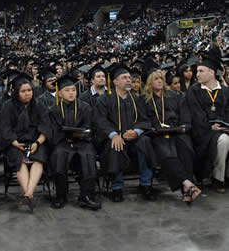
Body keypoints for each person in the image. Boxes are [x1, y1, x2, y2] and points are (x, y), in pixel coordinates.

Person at [95, 63, 156, 202]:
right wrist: (114, 134)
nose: (129, 80)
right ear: (115, 82)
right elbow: (100, 120)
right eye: (124, 78)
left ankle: (146, 184)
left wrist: (137, 131)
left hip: (134, 139)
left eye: (129, 77)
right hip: (114, 138)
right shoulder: (104, 99)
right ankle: (117, 187)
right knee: (115, 145)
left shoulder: (137, 99)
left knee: (145, 141)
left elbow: (144, 119)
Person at [142, 68, 200, 204]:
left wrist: (184, 126)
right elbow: (142, 119)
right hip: (157, 135)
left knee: (185, 147)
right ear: (150, 82)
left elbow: (184, 114)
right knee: (166, 152)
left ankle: (186, 190)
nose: (159, 81)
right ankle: (188, 184)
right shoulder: (144, 100)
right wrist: (152, 129)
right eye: (156, 79)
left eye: (161, 79)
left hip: (176, 131)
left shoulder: (174, 96)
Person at [49, 75, 100, 210]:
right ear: (59, 93)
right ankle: (61, 195)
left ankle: (87, 196)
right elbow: (54, 130)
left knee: (88, 156)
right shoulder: (54, 110)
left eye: (73, 90)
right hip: (63, 143)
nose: (71, 93)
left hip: (83, 142)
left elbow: (90, 127)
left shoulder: (85, 107)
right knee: (59, 156)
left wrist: (81, 135)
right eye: (67, 90)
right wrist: (66, 136)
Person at [0, 73, 49, 212]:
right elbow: (5, 128)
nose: (27, 94)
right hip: (15, 143)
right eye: (23, 91)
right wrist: (14, 142)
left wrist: (38, 143)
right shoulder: (8, 106)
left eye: (29, 90)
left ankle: (28, 194)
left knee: (39, 159)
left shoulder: (39, 105)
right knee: (18, 159)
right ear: (16, 92)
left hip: (35, 141)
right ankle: (30, 195)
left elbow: (46, 126)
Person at [186, 46, 229, 192]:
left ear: (211, 73)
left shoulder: (225, 91)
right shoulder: (194, 90)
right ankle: (219, 179)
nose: (196, 74)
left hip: (224, 128)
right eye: (197, 71)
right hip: (203, 131)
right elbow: (195, 113)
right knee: (223, 140)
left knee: (224, 137)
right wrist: (209, 126)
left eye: (200, 71)